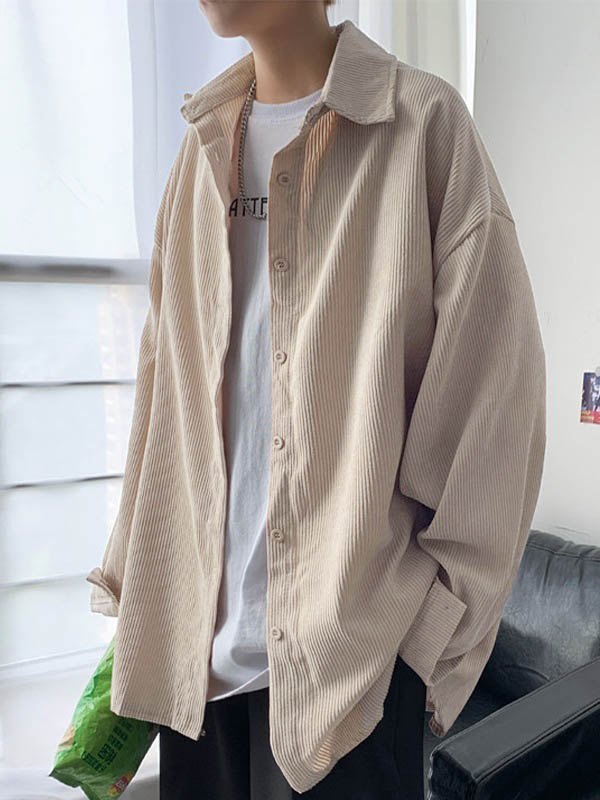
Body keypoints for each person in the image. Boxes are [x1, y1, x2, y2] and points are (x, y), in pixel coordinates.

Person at [86, 3, 547, 799]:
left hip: (354, 689)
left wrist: (424, 653)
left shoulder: (422, 127)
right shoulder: (199, 152)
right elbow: (166, 399)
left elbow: (496, 412)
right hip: (194, 673)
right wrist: (136, 603)